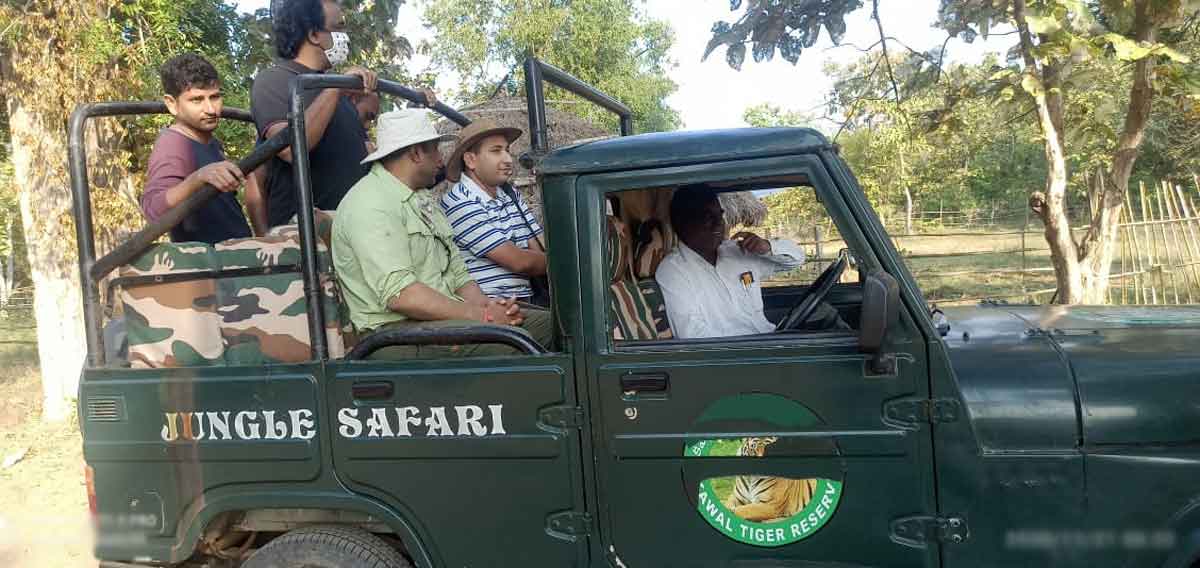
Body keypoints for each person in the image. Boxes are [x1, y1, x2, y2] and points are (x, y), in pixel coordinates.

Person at [333, 109, 552, 358]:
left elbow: (457, 274)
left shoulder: (421, 199)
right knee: (515, 343)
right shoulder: (371, 204)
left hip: (439, 321)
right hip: (394, 333)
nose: (441, 160)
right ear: (415, 153)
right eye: (435, 151)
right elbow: (403, 296)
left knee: (558, 326)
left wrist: (488, 306)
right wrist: (483, 317)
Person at [251, 0, 384, 228]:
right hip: (306, 241)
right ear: (314, 34)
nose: (346, 36)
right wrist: (334, 89)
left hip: (353, 230)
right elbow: (291, 149)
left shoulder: (340, 96)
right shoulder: (273, 81)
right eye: (339, 27)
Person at [654, 186, 808, 339]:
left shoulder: (739, 250)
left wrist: (767, 247)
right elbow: (692, 335)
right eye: (708, 217)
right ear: (682, 224)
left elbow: (796, 260)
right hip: (739, 356)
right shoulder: (673, 270)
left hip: (770, 340)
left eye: (719, 216)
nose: (719, 223)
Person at [141, 53, 264, 243]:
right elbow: (153, 209)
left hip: (235, 257)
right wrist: (198, 178)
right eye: (197, 100)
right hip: (210, 264)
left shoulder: (210, 142)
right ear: (172, 104)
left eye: (214, 97)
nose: (210, 109)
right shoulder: (174, 144)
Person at [440, 119, 546, 301]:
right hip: (491, 305)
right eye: (496, 151)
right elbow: (518, 261)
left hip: (525, 298)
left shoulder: (508, 193)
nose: (507, 159)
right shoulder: (461, 202)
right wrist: (566, 261)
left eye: (507, 150)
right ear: (470, 160)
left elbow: (536, 246)